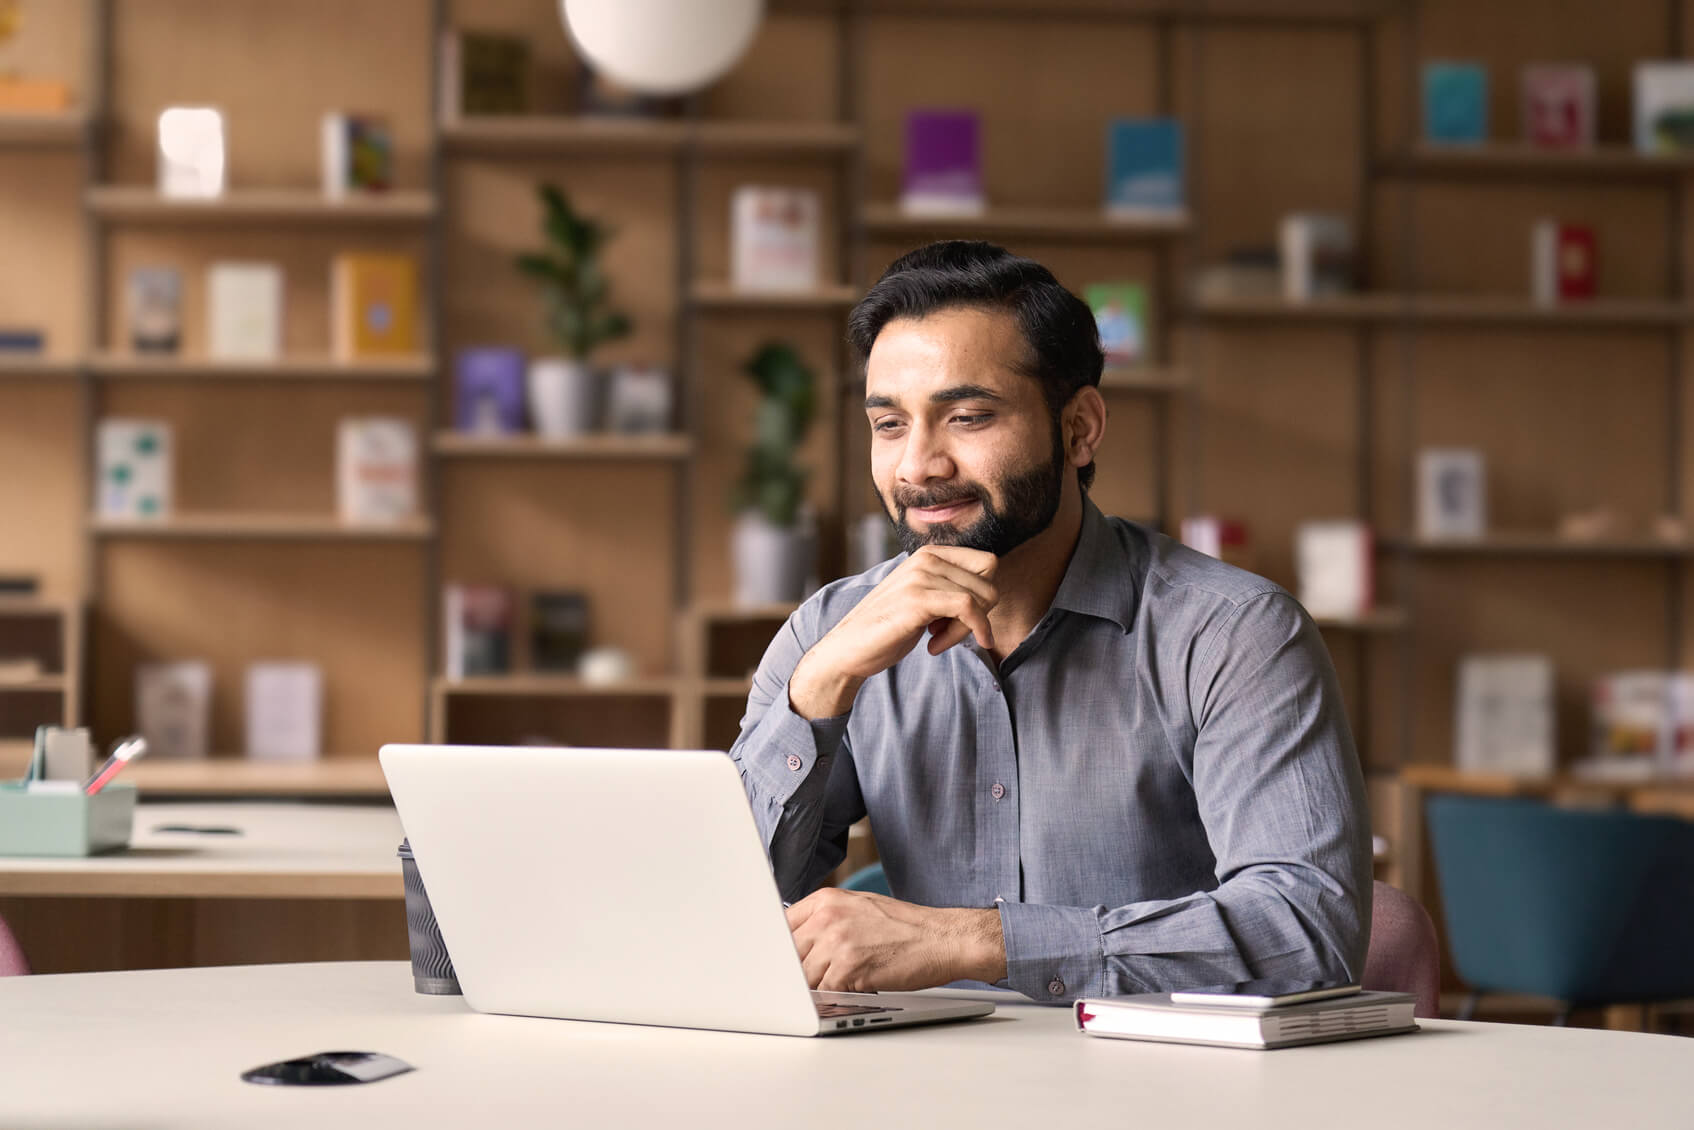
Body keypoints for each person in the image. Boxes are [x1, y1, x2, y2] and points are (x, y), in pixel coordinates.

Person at [728, 240, 1372, 1004]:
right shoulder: (828, 634)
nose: (918, 467)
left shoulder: (1235, 635)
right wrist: (820, 691)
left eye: (967, 416)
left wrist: (978, 941)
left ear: (1079, 428)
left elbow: (1308, 931)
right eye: (890, 424)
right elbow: (714, 915)